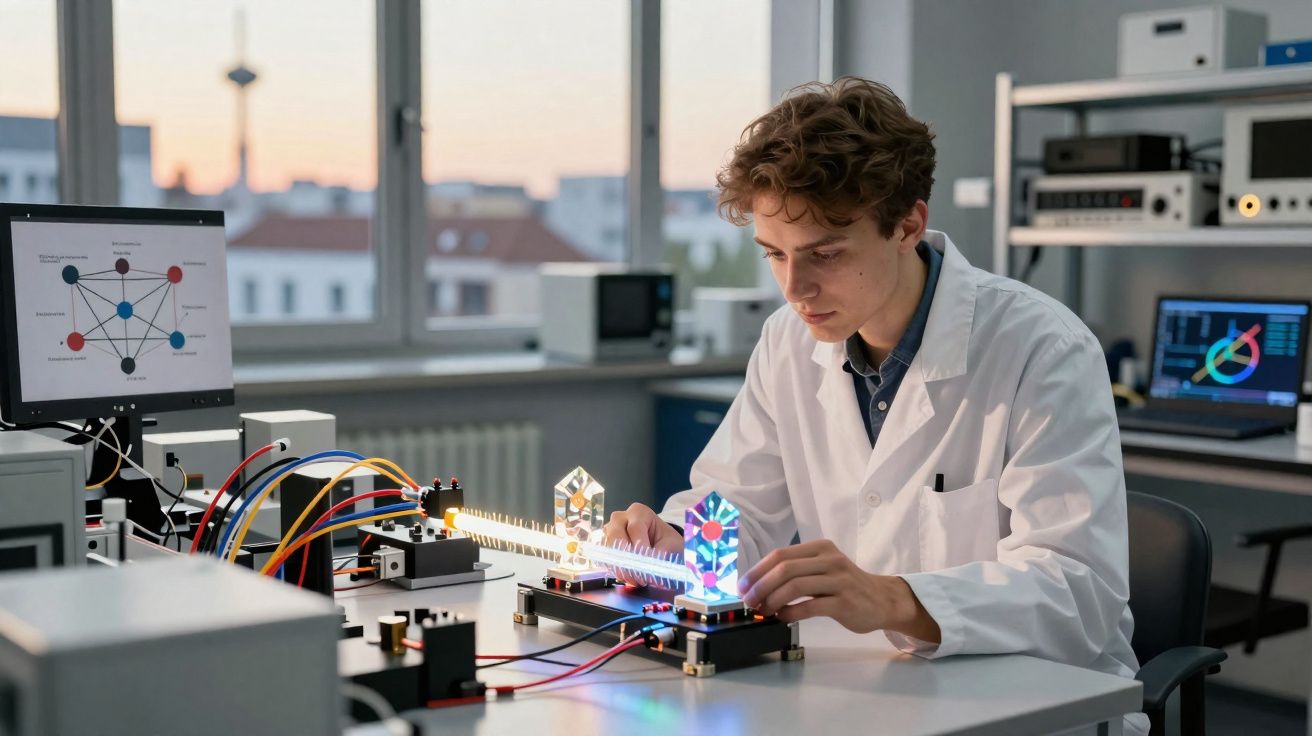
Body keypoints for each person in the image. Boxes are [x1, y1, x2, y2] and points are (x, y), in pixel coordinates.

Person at [603, 77, 1147, 735]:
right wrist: (681, 541)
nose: (795, 288)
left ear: (908, 224)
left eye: (824, 254)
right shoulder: (787, 342)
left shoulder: (1041, 347)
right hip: (866, 693)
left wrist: (895, 598)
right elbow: (739, 504)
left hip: (1034, 707)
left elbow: (1078, 591)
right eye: (775, 254)